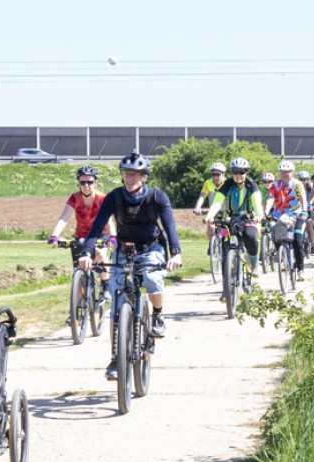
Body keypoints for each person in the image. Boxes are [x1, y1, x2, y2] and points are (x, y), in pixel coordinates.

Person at [77, 150, 183, 381]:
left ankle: (157, 315)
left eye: (135, 174)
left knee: (152, 279)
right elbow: (96, 228)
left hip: (151, 248)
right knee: (116, 306)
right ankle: (116, 358)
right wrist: (86, 252)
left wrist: (175, 253)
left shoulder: (157, 197)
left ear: (144, 177)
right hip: (123, 250)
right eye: (127, 173)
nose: (130, 178)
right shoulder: (114, 198)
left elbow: (169, 227)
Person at [48, 165, 115, 281]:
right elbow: (64, 218)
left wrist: (112, 236)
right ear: (78, 183)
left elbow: (108, 220)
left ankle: (105, 284)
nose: (86, 186)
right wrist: (55, 235)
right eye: (82, 182)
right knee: (78, 268)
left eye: (90, 182)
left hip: (101, 235)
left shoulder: (102, 198)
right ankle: (78, 290)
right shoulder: (75, 198)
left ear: (96, 182)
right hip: (81, 236)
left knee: (100, 254)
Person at [206, 156, 265, 278]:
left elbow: (257, 202)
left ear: (246, 173)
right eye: (235, 172)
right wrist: (209, 216)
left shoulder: (251, 185)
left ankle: (254, 263)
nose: (238, 175)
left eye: (241, 172)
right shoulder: (227, 184)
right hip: (230, 219)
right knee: (224, 246)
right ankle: (227, 281)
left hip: (248, 219)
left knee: (250, 236)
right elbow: (217, 202)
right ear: (231, 173)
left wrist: (259, 215)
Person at [264, 160, 308, 281]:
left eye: (288, 172)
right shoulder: (275, 185)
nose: (285, 174)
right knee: (274, 233)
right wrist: (266, 211)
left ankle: (300, 270)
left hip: (296, 215)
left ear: (292, 172)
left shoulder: (297, 184)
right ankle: (281, 254)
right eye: (283, 172)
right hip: (279, 215)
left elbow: (302, 198)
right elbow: (270, 198)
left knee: (298, 241)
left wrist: (304, 211)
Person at [193, 162, 226, 250]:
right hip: (213, 211)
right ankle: (212, 243)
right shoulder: (208, 183)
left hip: (227, 211)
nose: (215, 177)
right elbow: (202, 196)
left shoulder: (227, 183)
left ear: (223, 174)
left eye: (218, 174)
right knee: (210, 226)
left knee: (226, 231)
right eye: (213, 174)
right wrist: (198, 208)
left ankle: (225, 246)